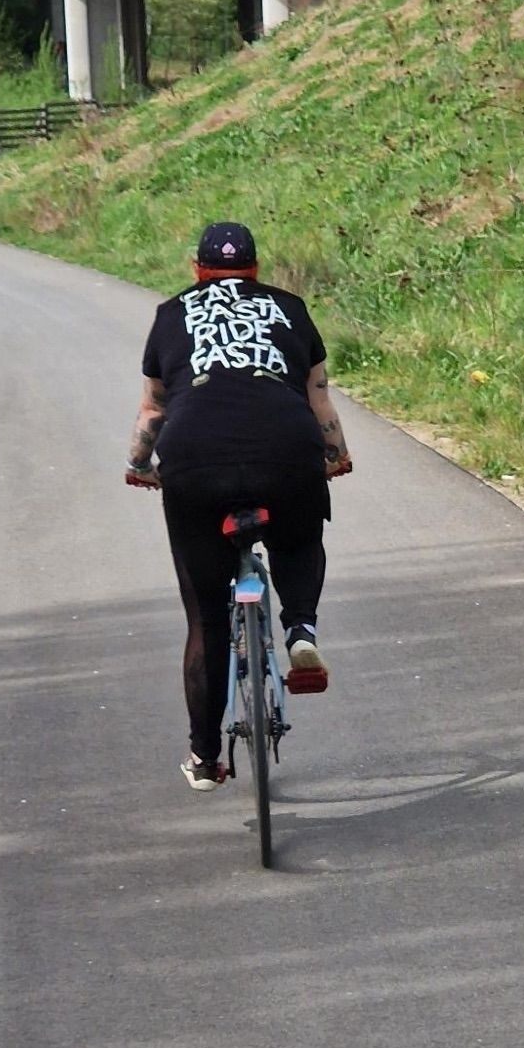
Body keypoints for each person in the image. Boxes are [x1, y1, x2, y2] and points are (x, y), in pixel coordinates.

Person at [125, 222, 352, 790]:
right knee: (298, 536)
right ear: (255, 267)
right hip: (285, 449)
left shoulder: (171, 314)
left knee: (205, 620)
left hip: (194, 459)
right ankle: (300, 629)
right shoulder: (290, 309)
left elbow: (153, 412)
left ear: (195, 266)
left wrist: (138, 466)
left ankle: (204, 759)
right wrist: (336, 454)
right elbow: (317, 395)